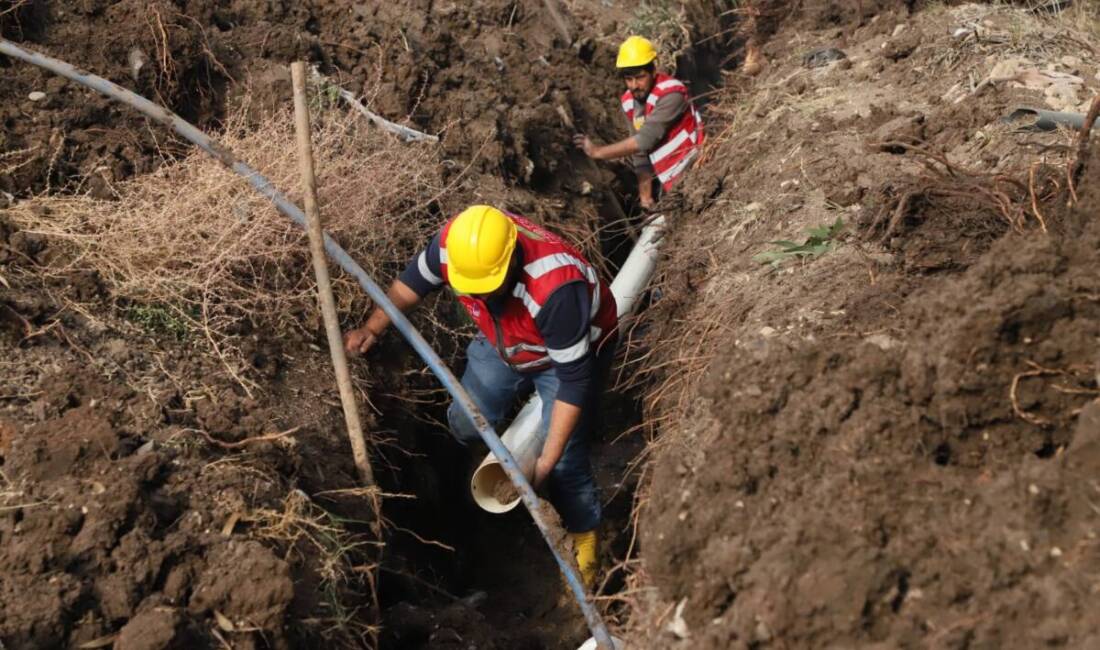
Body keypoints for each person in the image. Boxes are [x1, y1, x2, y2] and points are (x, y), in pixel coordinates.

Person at [343, 205, 618, 588]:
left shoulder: (556, 289)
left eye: (483, 288)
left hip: (568, 357)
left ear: (511, 263)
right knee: (465, 419)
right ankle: (479, 466)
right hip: (504, 336)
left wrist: (542, 463)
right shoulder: (456, 246)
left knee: (566, 464)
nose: (472, 294)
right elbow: (412, 282)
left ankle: (586, 544)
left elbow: (573, 380)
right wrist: (373, 327)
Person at [574, 35, 704, 209]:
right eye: (629, 79)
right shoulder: (629, 101)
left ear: (653, 71)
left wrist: (597, 152)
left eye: (640, 77)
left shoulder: (671, 94)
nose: (634, 85)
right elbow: (640, 154)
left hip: (699, 170)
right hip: (673, 184)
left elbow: (644, 140)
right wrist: (645, 196)